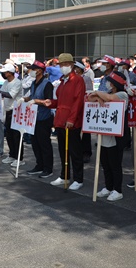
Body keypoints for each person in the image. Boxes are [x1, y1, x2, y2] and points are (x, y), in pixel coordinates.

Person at [44, 53, 86, 190]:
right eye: (61, 65)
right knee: (63, 150)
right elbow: (60, 101)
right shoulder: (62, 81)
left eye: (65, 64)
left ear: (72, 65)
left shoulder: (78, 80)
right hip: (60, 119)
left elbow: (78, 102)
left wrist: (72, 119)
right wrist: (51, 103)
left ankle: (78, 179)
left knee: (75, 151)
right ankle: (64, 175)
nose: (62, 67)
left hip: (71, 121)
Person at [88, 71, 128, 202]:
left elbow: (110, 99)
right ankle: (108, 186)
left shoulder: (123, 94)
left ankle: (118, 190)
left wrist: (99, 95)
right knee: (105, 163)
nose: (108, 84)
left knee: (115, 164)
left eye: (110, 82)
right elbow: (89, 98)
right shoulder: (108, 94)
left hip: (115, 137)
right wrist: (98, 97)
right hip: (104, 134)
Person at [25, 60, 55, 178]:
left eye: (33, 69)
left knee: (44, 144)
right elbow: (32, 96)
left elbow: (49, 101)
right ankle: (39, 165)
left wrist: (37, 101)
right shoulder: (33, 83)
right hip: (33, 118)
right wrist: (25, 99)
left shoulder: (47, 84)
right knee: (35, 143)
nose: (30, 71)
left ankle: (48, 168)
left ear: (39, 71)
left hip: (44, 118)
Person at [0, 63, 25, 167]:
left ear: (9, 73)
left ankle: (19, 158)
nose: (3, 74)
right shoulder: (5, 82)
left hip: (16, 111)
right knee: (9, 135)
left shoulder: (17, 82)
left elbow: (10, 95)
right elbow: (3, 92)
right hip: (8, 110)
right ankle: (12, 155)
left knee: (16, 135)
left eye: (4, 72)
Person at [75, 61, 93, 163]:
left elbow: (88, 93)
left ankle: (86, 152)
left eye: (76, 68)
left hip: (84, 107)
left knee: (86, 132)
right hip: (75, 108)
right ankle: (79, 151)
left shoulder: (85, 79)